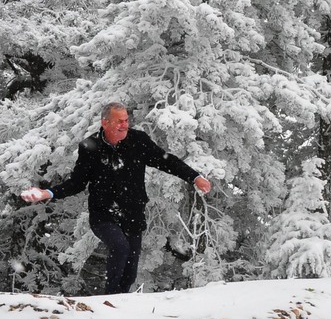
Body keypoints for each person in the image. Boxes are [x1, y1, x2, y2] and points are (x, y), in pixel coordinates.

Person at [20, 102, 212, 294]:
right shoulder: (90, 147)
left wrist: (194, 177)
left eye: (126, 120)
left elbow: (166, 160)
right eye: (118, 121)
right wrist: (48, 193)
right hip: (103, 215)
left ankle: (119, 304)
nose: (124, 125)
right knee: (120, 247)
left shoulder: (138, 141)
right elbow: (77, 183)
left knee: (129, 274)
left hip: (133, 214)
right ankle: (109, 300)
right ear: (105, 123)